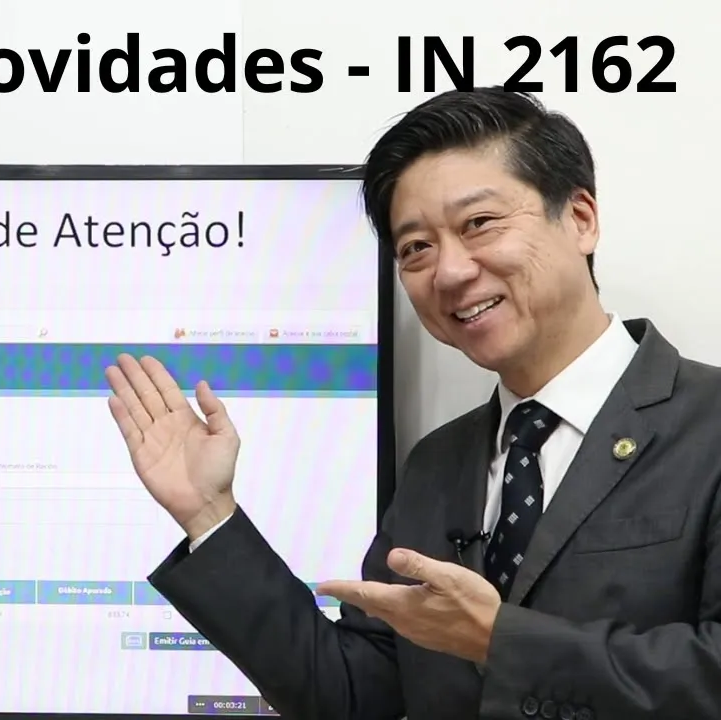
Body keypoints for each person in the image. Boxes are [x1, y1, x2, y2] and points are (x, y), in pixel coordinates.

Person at [103, 87, 721, 720]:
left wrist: (499, 642)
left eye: (479, 223)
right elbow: (350, 695)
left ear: (581, 219)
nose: (449, 272)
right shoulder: (439, 462)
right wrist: (209, 514)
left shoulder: (709, 424)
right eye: (416, 248)